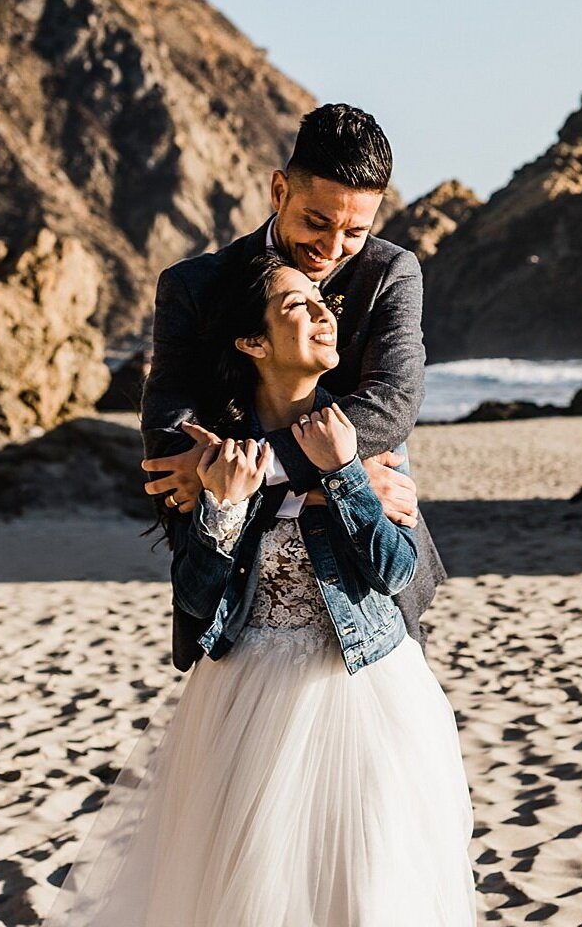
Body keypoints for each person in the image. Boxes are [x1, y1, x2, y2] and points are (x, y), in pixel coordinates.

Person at [40, 253, 476, 926]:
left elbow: (397, 573)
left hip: (368, 696)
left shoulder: (363, 435)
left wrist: (344, 476)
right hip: (245, 700)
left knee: (367, 897)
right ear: (252, 342)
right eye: (298, 306)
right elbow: (196, 598)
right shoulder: (214, 455)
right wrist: (222, 505)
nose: (324, 313)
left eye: (324, 302)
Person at [141, 103, 447, 671]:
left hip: (367, 593)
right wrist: (346, 479)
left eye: (356, 230)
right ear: (279, 190)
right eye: (317, 221)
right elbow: (168, 446)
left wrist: (267, 471)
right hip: (240, 596)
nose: (332, 249)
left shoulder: (390, 273)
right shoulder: (193, 286)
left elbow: (392, 405)